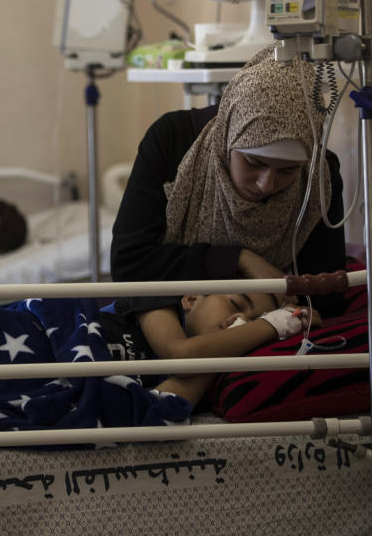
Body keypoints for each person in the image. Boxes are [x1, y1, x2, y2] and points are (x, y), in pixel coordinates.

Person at [110, 45, 347, 329]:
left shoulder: (319, 176)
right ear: (227, 139)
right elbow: (129, 265)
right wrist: (239, 259)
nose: (266, 184)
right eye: (253, 162)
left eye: (287, 171)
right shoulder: (171, 140)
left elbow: (327, 298)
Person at [99, 289, 316, 408]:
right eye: (237, 305)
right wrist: (277, 323)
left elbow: (159, 408)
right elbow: (180, 354)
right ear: (191, 299)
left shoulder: (210, 379)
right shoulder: (156, 299)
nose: (240, 321)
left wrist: (231, 345)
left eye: (252, 322)